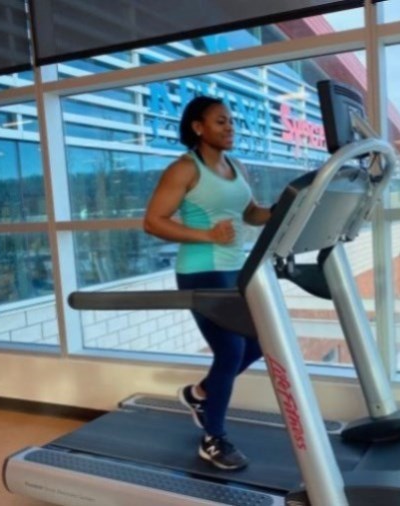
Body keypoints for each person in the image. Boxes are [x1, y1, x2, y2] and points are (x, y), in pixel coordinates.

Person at [143, 95, 271, 470]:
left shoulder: (237, 166)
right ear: (198, 127)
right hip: (201, 270)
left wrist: (284, 207)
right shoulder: (184, 169)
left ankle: (200, 394)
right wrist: (207, 236)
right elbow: (153, 221)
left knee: (260, 342)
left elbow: (252, 213)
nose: (230, 127)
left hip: (236, 270)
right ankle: (213, 438)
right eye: (220, 121)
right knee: (230, 350)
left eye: (231, 121)